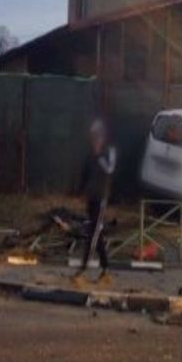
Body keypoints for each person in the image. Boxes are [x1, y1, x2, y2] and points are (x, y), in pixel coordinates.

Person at [74, 119, 117, 286]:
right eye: (93, 137)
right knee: (95, 233)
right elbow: (85, 173)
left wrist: (99, 155)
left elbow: (110, 169)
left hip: (101, 197)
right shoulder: (90, 154)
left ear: (103, 136)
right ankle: (106, 268)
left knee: (94, 234)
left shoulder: (108, 151)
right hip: (91, 197)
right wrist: (80, 191)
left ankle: (84, 268)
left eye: (97, 136)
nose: (94, 140)